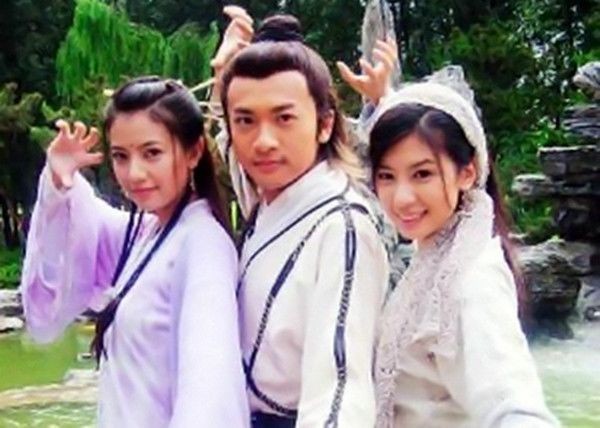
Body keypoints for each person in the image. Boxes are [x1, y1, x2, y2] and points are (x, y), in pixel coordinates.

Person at [340, 57, 559, 426]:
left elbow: (514, 405)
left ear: (467, 172)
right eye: (387, 176)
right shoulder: (438, 254)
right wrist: (384, 100)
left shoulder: (473, 279)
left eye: (422, 174)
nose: (402, 198)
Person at [20, 77, 249, 427]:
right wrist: (58, 181)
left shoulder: (202, 246)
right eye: (120, 156)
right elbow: (82, 231)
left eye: (152, 153)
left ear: (193, 152)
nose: (134, 173)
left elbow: (209, 387)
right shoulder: (151, 233)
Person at [215, 12, 389, 428]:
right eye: (245, 120)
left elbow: (340, 388)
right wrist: (222, 73)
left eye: (284, 118)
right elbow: (229, 148)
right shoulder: (267, 199)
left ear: (325, 124)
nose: (263, 141)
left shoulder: (342, 225)